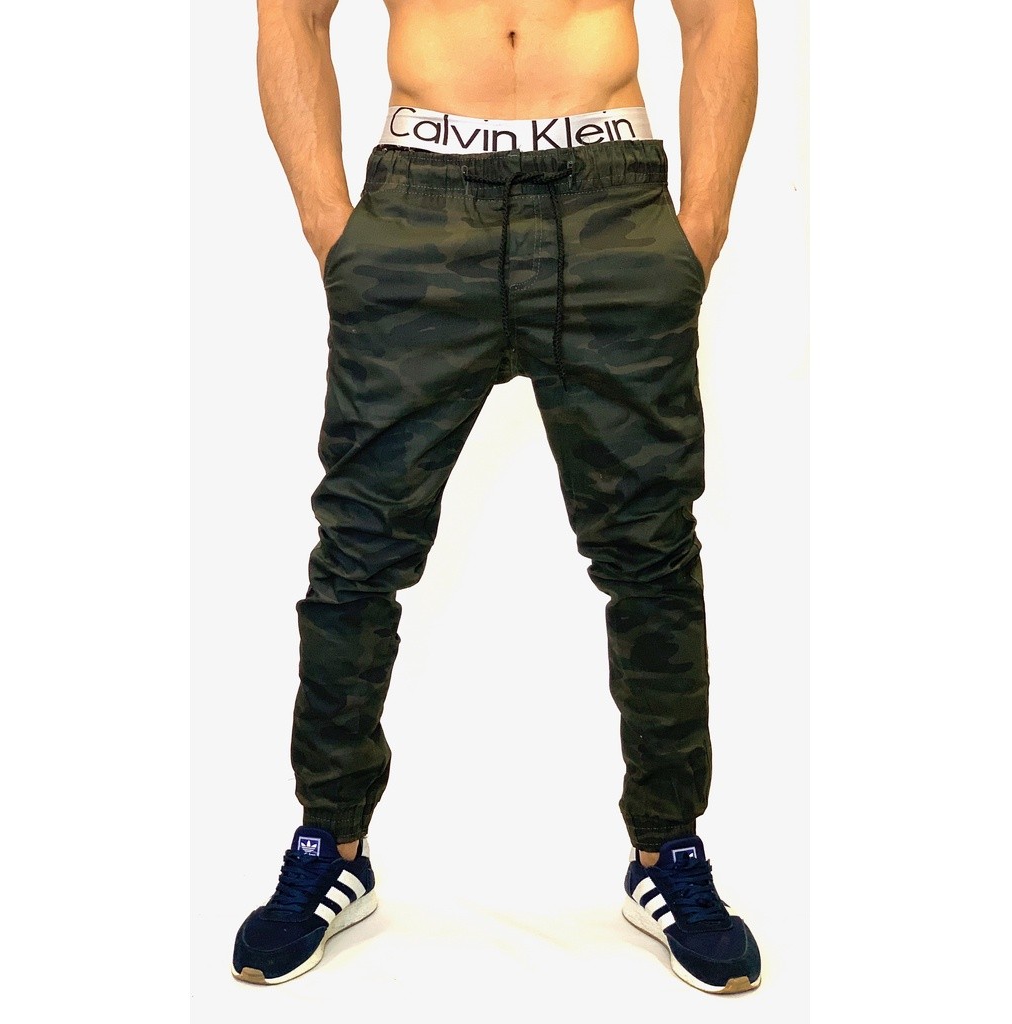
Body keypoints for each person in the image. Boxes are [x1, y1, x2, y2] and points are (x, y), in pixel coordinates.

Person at [233, 0, 760, 994]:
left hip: (610, 201)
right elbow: (293, 13)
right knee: (359, 550)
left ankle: (669, 851)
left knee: (650, 552)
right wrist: (327, 222)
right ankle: (329, 845)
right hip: (420, 203)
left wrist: (702, 224)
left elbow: (715, 16)